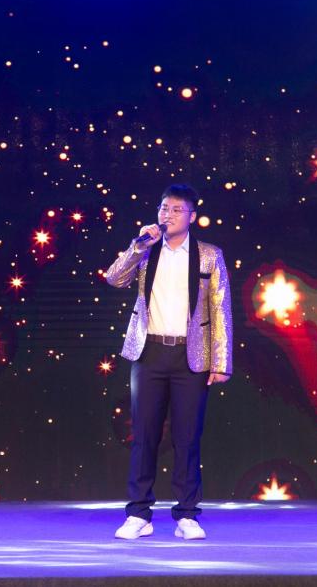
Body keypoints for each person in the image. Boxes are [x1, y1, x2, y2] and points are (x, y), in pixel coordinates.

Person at [103, 184, 233, 541]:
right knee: (143, 435)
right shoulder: (146, 250)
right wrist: (137, 246)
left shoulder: (209, 255)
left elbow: (220, 309)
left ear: (192, 216)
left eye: (177, 209)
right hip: (149, 352)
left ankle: (187, 515)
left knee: (187, 437)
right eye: (164, 208)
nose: (168, 214)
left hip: (191, 356)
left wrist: (221, 361)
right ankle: (138, 514)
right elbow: (114, 278)